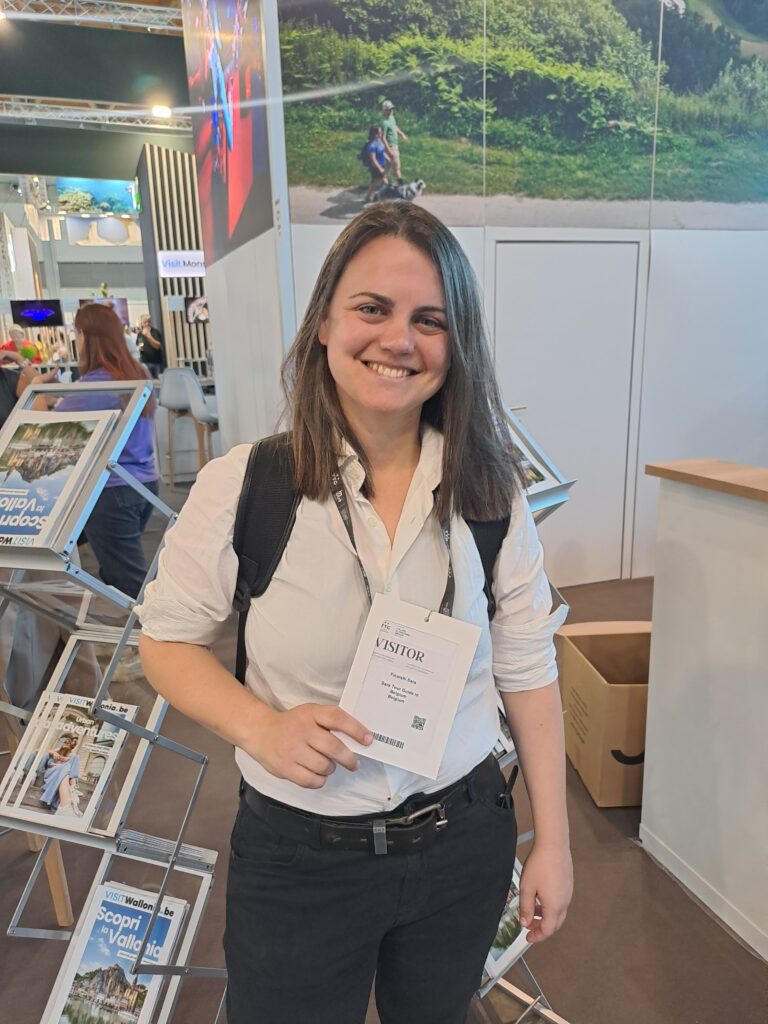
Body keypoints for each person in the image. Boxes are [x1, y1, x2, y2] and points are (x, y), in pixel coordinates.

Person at [136, 203, 572, 1024]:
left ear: (458, 343)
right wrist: (261, 728)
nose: (398, 340)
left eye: (430, 320)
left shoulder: (489, 490)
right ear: (326, 322)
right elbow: (165, 642)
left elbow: (527, 666)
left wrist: (554, 839)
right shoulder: (248, 484)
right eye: (373, 308)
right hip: (300, 857)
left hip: (462, 841)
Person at [56, 302, 159, 600]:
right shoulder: (135, 374)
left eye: (77, 334)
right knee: (119, 571)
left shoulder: (92, 388)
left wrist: (34, 387)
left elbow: (51, 424)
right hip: (143, 485)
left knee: (128, 583)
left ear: (87, 337)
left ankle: (153, 629)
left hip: (111, 491)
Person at [39, 735, 81, 815]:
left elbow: (72, 768)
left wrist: (66, 760)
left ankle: (66, 803)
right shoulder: (55, 751)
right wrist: (53, 753)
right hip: (51, 773)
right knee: (65, 767)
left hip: (63, 775)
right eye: (65, 742)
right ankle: (68, 798)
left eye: (69, 743)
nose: (67, 744)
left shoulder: (72, 756)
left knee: (67, 768)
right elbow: (39, 752)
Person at [380, 99, 408, 184]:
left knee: (386, 168)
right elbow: (383, 138)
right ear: (384, 110)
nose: (391, 111)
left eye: (392, 109)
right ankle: (402, 185)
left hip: (394, 146)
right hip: (390, 147)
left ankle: (379, 183)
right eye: (389, 109)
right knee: (396, 168)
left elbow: (394, 126)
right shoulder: (384, 122)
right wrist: (389, 150)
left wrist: (402, 134)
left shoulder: (391, 117)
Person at [361, 124, 390, 202]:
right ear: (375, 134)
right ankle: (373, 198)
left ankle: (371, 197)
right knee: (380, 182)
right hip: (376, 167)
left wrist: (387, 158)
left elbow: (381, 151)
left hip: (382, 164)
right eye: (380, 132)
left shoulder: (379, 141)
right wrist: (380, 169)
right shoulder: (371, 146)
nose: (381, 133)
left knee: (377, 182)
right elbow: (373, 160)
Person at [136, 313, 166, 379]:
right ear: (142, 323)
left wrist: (148, 336)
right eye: (145, 322)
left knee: (158, 382)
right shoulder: (140, 334)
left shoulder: (155, 332)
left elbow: (157, 346)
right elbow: (139, 344)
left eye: (148, 322)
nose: (147, 324)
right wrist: (139, 348)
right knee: (147, 381)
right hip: (145, 363)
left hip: (156, 363)